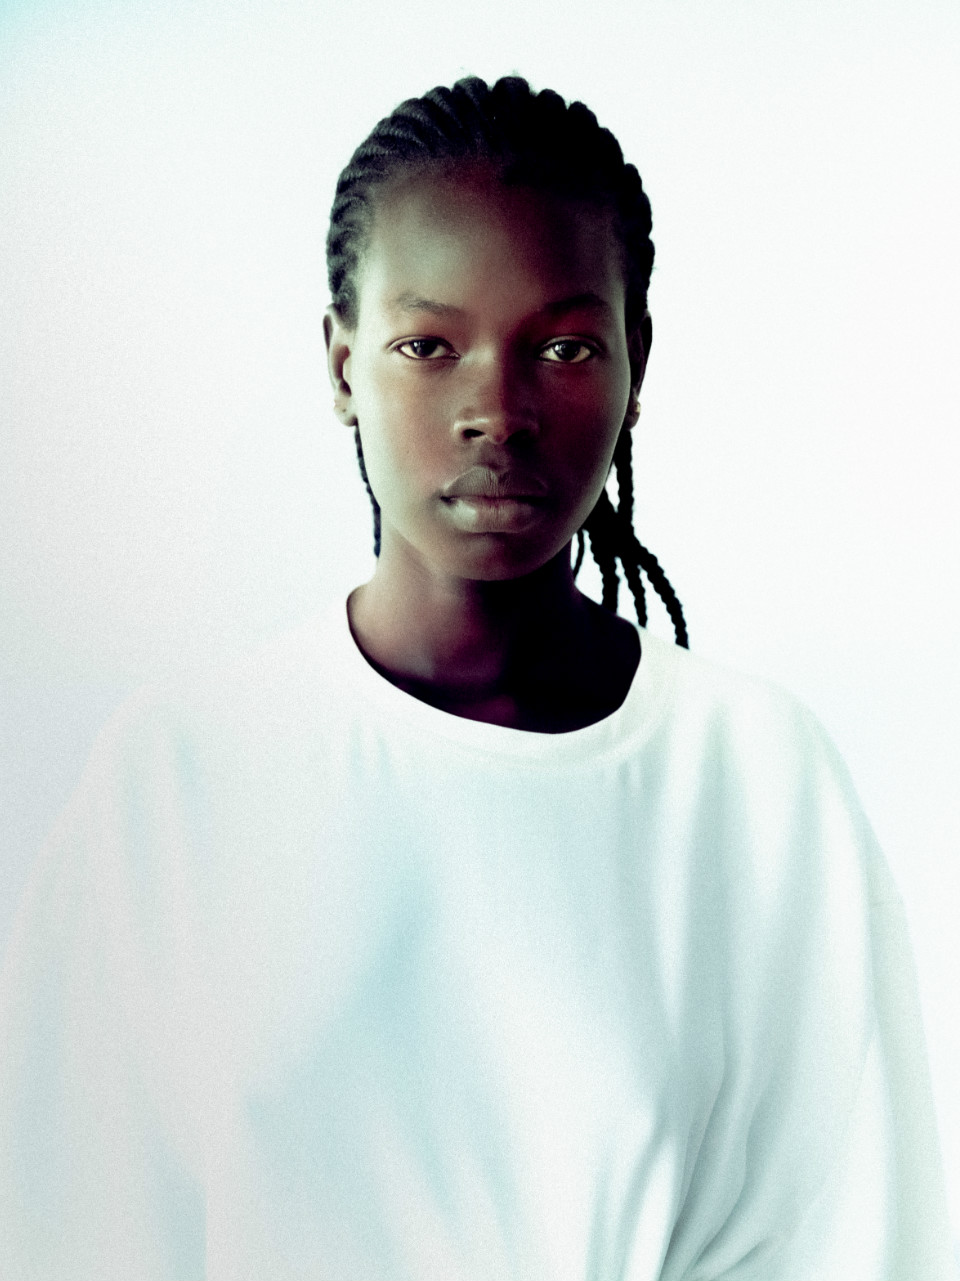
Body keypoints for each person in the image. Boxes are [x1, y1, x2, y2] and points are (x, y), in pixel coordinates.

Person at [0, 74, 955, 1280]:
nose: (496, 411)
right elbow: (70, 1229)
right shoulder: (176, 781)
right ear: (342, 365)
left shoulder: (755, 779)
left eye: (561, 346)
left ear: (636, 362)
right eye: (427, 346)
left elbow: (854, 1239)